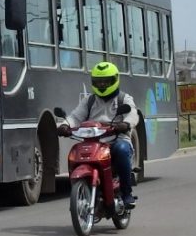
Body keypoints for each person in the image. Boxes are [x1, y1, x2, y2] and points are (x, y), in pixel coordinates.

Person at [57, 61, 140, 206]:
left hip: (117, 139)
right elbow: (75, 117)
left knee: (121, 150)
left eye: (106, 82)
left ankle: (127, 193)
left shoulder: (124, 99)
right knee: (75, 152)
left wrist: (125, 124)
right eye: (98, 82)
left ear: (115, 80)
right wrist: (64, 125)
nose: (102, 85)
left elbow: (133, 114)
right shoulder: (89, 101)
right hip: (93, 141)